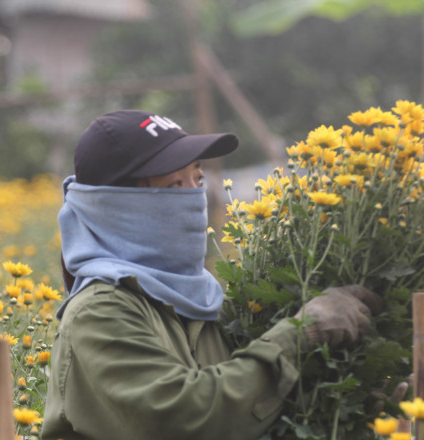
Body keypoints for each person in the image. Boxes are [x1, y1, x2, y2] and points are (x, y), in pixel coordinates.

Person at [41, 110, 383, 440]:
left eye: (198, 178)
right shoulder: (100, 312)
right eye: (176, 183)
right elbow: (187, 419)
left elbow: (254, 407)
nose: (195, 196)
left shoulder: (202, 301)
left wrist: (362, 402)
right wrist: (299, 334)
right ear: (120, 207)